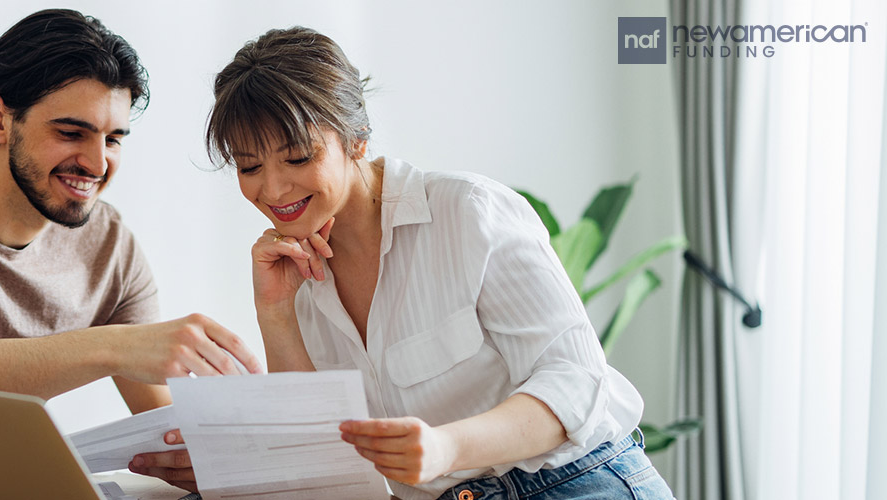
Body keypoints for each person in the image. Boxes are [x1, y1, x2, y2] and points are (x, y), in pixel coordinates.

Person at [130, 27, 674, 500]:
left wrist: (446, 447)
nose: (273, 188)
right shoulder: (295, 269)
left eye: (298, 158)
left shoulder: (467, 211)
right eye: (249, 167)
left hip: (576, 482)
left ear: (357, 140)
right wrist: (275, 312)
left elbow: (577, 379)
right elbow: (321, 459)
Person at [0, 9, 261, 479]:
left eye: (113, 139)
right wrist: (116, 347)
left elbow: (160, 420)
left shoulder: (111, 246)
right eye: (71, 133)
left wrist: (196, 456)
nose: (97, 163)